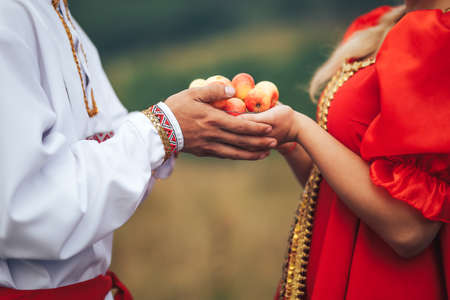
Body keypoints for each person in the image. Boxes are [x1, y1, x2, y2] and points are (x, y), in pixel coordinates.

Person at [0, 0, 278, 299]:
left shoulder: (55, 11)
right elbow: (24, 208)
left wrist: (177, 127)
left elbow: (104, 135)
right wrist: (164, 129)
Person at [242, 1, 450, 299]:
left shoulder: (441, 40)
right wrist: (289, 142)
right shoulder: (380, 26)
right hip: (326, 267)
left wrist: (301, 128)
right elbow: (337, 192)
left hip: (384, 282)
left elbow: (411, 229)